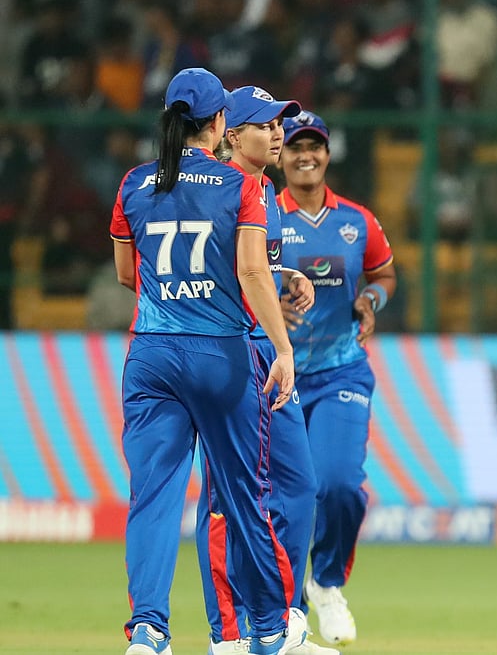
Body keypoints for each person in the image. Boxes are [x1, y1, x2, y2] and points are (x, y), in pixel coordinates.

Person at [110, 67, 294, 655]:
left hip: (151, 354)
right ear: (219, 123)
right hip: (220, 354)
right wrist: (283, 348)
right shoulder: (239, 186)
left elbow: (126, 274)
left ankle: (148, 630)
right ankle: (269, 630)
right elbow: (252, 271)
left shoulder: (133, 184)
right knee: (244, 496)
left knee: (152, 498)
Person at [197, 85, 339, 655]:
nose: (279, 133)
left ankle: (281, 621)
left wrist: (287, 277)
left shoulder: (263, 191)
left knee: (299, 486)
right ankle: (230, 635)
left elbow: (253, 266)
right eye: (266, 124)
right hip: (233, 354)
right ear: (232, 134)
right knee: (224, 499)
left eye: (281, 123)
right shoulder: (218, 189)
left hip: (265, 352)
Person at [277, 109, 397, 647]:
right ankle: (288, 610)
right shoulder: (263, 216)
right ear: (279, 155)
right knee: (286, 497)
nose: (306, 155)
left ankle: (325, 582)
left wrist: (370, 300)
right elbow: (239, 276)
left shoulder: (357, 221)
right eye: (295, 146)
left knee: (340, 486)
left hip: (340, 369)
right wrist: (268, 305)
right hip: (277, 375)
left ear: (327, 153)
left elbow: (384, 273)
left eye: (315, 146)